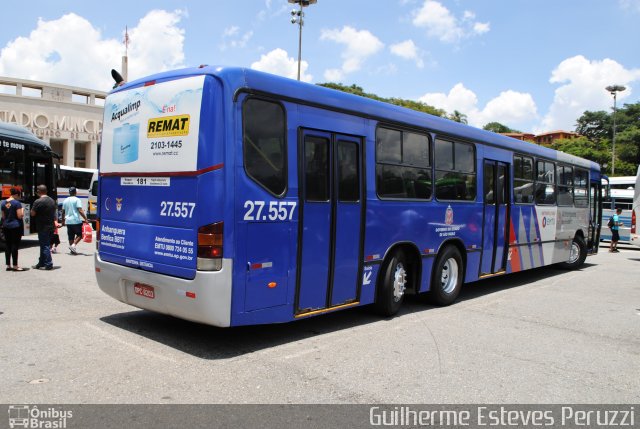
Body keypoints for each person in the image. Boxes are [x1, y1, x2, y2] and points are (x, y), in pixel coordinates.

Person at [30, 184, 56, 270]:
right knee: (44, 245)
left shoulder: (38, 201)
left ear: (38, 192)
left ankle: (48, 263)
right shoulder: (52, 200)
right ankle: (41, 263)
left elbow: (32, 213)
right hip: (51, 226)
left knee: (45, 245)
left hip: (42, 226)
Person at [1, 187, 25, 271]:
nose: (19, 197)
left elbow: (3, 216)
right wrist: (22, 211)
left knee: (7, 245)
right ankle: (15, 265)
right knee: (15, 245)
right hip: (15, 226)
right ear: (16, 195)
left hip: (6, 226)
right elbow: (19, 216)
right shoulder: (17, 203)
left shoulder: (3, 202)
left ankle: (8, 265)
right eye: (19, 195)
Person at [61, 186, 88, 255]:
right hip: (76, 220)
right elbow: (80, 210)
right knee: (80, 235)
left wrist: (63, 221)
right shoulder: (77, 200)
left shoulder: (65, 200)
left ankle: (72, 250)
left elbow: (63, 212)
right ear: (75, 192)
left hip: (68, 221)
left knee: (71, 236)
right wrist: (85, 218)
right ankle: (73, 246)